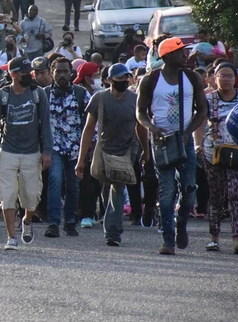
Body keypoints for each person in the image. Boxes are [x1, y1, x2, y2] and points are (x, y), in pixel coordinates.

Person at [136, 37, 207, 255]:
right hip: (162, 142)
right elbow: (140, 112)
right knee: (166, 193)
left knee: (189, 191)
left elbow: (202, 111)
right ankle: (168, 240)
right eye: (179, 52)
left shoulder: (192, 77)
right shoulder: (151, 79)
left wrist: (187, 133)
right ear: (166, 55)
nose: (185, 55)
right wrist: (152, 128)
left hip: (183, 141)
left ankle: (181, 224)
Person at [0, 57, 52, 250]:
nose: (30, 77)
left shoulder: (38, 94)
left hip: (32, 153)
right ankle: (11, 237)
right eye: (25, 74)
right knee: (7, 194)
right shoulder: (2, 95)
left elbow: (46, 124)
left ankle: (27, 220)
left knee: (31, 196)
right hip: (8, 151)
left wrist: (47, 151)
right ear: (13, 75)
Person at [76, 63, 147, 246]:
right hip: (104, 148)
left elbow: (140, 128)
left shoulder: (134, 99)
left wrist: (145, 151)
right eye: (119, 78)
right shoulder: (99, 98)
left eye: (126, 77)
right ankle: (113, 222)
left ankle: (112, 232)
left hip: (126, 149)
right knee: (106, 185)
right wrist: (81, 159)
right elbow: (89, 128)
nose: (123, 81)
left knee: (118, 186)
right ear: (108, 80)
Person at [40, 56, 86, 238]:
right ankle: (53, 223)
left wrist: (88, 146)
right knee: (55, 180)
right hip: (54, 147)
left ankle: (70, 221)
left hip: (75, 146)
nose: (61, 75)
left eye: (65, 71)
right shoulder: (44, 94)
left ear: (71, 73)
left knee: (74, 184)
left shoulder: (81, 93)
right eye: (58, 71)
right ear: (52, 73)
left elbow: (91, 121)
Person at [194, 62, 238, 253]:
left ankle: (236, 238)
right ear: (215, 77)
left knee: (235, 195)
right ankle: (214, 237)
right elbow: (200, 122)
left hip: (236, 154)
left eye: (230, 75)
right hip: (214, 154)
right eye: (222, 75)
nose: (226, 79)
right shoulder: (208, 99)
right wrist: (197, 144)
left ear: (235, 79)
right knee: (217, 196)